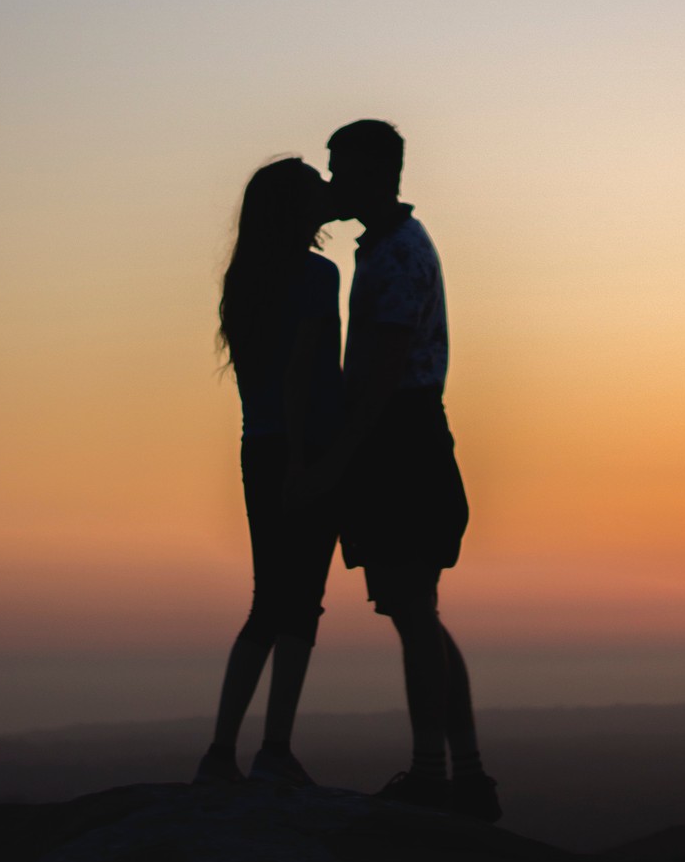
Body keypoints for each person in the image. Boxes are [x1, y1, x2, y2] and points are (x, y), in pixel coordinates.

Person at [305, 118, 500, 820]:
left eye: (340, 169)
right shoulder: (389, 247)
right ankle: (464, 774)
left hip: (402, 442)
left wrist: (340, 458)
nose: (332, 182)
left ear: (377, 172)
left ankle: (435, 777)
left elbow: (385, 371)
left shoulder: (395, 256)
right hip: (404, 438)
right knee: (415, 610)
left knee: (414, 610)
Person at [197, 156, 342, 787]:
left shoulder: (245, 280)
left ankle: (223, 753)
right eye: (314, 190)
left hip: (258, 448)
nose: (327, 194)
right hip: (303, 447)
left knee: (270, 601)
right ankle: (272, 750)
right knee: (299, 603)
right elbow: (305, 372)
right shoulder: (317, 276)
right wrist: (310, 460)